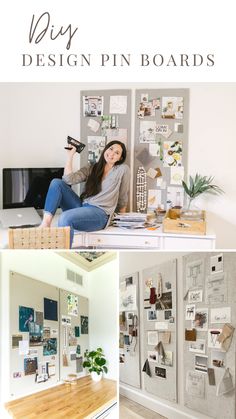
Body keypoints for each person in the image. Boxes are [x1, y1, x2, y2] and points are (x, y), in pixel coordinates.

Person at [40, 140, 130, 247]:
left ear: (120, 158)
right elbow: (68, 180)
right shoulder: (91, 168)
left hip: (100, 214)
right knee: (56, 183)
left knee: (65, 218)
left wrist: (123, 220)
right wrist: (70, 156)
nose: (112, 154)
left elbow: (123, 196)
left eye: (117, 153)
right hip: (82, 207)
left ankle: (63, 253)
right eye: (111, 149)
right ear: (106, 149)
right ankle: (45, 224)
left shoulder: (122, 169)